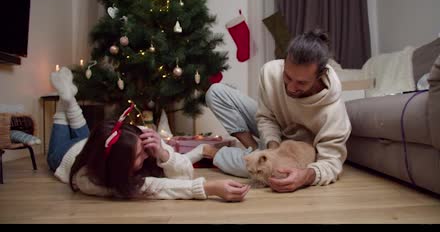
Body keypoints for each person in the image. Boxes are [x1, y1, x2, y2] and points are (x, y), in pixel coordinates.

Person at [47, 67, 250, 201]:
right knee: (61, 125)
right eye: (138, 156)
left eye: (143, 149)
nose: (147, 154)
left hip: (91, 142)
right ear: (119, 168)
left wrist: (163, 154)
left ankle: (67, 98)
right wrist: (210, 188)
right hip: (65, 154)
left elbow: (184, 173)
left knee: (86, 133)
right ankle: (64, 100)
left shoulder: (141, 137)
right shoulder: (89, 181)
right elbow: (157, 186)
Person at [204, 29, 352, 192]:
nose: (290, 87)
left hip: (298, 155)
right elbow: (266, 118)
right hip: (275, 140)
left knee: (260, 173)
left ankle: (217, 155)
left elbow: (331, 163)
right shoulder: (270, 72)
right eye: (287, 77)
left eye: (301, 83)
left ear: (320, 75)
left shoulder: (334, 111)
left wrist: (305, 176)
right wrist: (271, 150)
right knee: (216, 92)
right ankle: (254, 150)